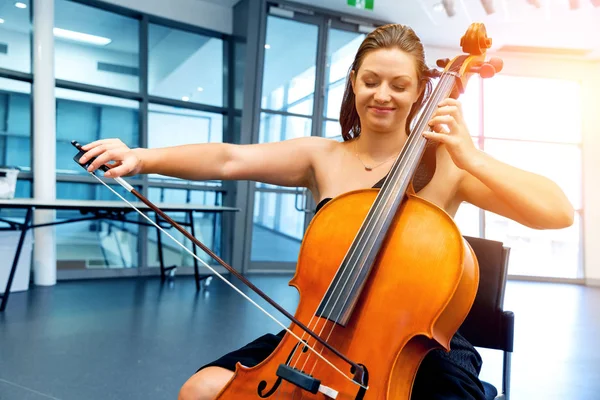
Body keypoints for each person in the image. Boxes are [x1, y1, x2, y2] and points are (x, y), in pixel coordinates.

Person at [79, 24, 574, 400]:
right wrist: (142, 158)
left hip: (416, 348)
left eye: (399, 85)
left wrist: (473, 158)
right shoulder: (322, 156)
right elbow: (229, 157)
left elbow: (556, 213)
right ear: (354, 83)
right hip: (318, 330)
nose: (383, 95)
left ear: (419, 91)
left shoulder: (449, 167)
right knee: (203, 389)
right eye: (372, 81)